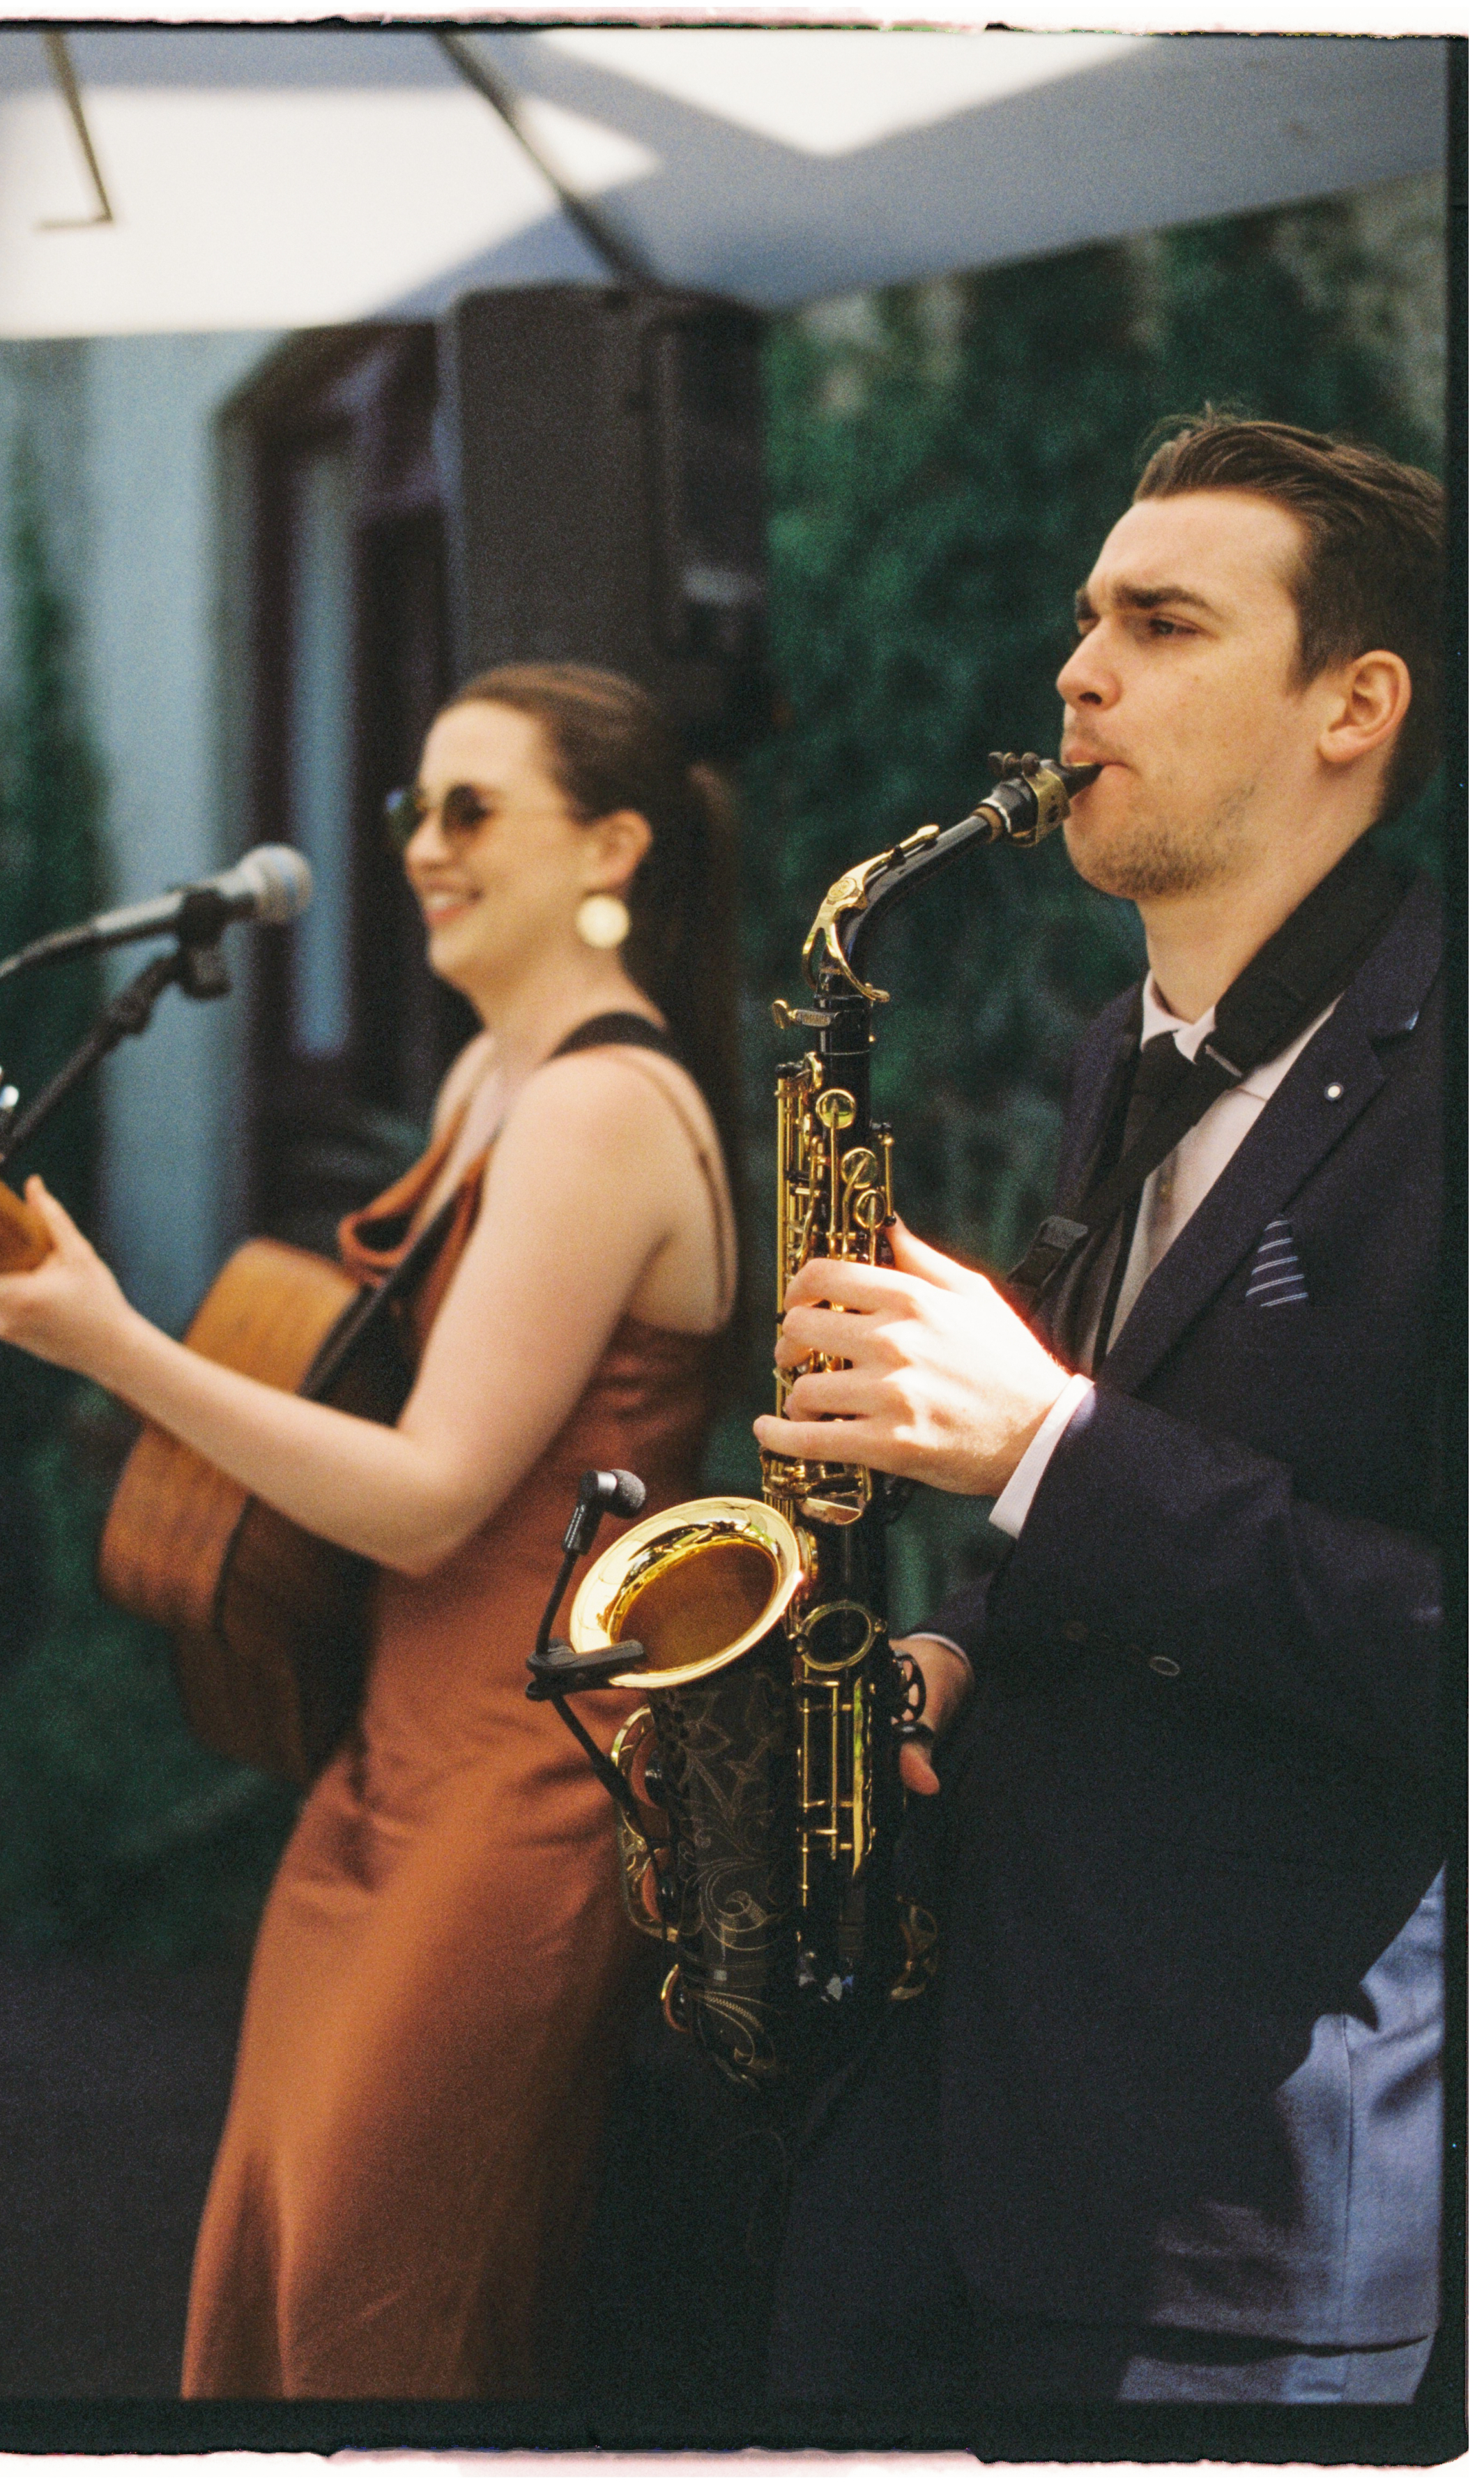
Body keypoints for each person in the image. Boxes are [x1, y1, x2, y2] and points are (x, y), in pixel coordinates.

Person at [0, 662, 742, 2399]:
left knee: (390, 2312)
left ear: (613, 843)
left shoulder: (602, 1107)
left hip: (527, 1777)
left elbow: (438, 1491)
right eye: (412, 811)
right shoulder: (494, 1085)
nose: (423, 848)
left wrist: (114, 1345)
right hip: (394, 1748)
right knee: (284, 2268)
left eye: (473, 811)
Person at [757, 418, 1447, 2407]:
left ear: (1353, 704)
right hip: (963, 2114)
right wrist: (960, 1631)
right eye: (1084, 619)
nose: (1077, 671)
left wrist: (1046, 1447)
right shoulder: (1109, 1057)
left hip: (1231, 2207)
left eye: (1159, 621)